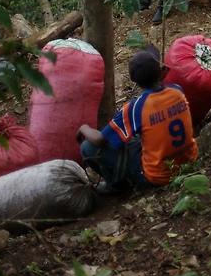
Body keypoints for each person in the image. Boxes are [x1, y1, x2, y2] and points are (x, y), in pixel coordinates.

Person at [77, 44, 198, 196]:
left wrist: (83, 128)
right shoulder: (177, 91)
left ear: (133, 80)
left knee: (87, 147)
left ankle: (116, 185)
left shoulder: (135, 108)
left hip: (156, 177)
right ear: (161, 72)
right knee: (138, 134)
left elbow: (99, 140)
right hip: (189, 163)